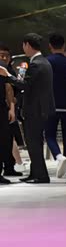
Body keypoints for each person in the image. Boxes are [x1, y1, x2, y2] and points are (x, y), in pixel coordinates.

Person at [0, 34, 56, 183]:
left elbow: (24, 85)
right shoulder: (43, 61)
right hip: (41, 108)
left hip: (35, 109)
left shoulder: (36, 64)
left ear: (27, 45)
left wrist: (7, 75)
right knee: (35, 142)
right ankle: (35, 172)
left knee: (33, 142)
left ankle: (41, 175)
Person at [44, 33, 66, 179]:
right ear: (64, 46)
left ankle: (58, 156)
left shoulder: (46, 62)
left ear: (50, 46)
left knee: (49, 134)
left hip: (51, 104)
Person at [0, 44, 20, 178]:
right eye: (1, 55)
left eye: (6, 56)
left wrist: (12, 108)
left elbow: (10, 90)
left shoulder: (9, 71)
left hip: (6, 109)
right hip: (5, 109)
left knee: (8, 139)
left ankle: (9, 167)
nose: (4, 58)